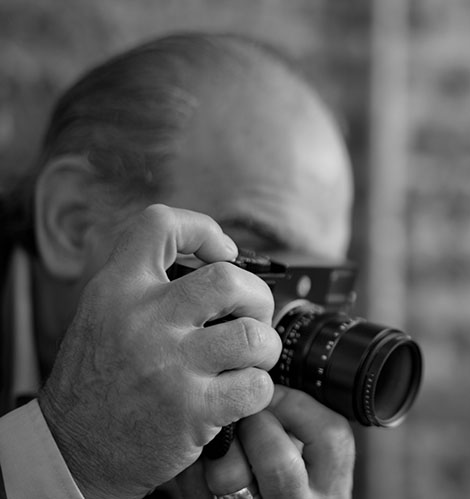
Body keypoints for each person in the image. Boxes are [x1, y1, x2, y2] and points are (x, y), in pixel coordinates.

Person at [0, 33, 355, 498]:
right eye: (255, 263)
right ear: (73, 222)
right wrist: (76, 456)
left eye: (323, 287)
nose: (279, 322)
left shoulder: (309, 442)